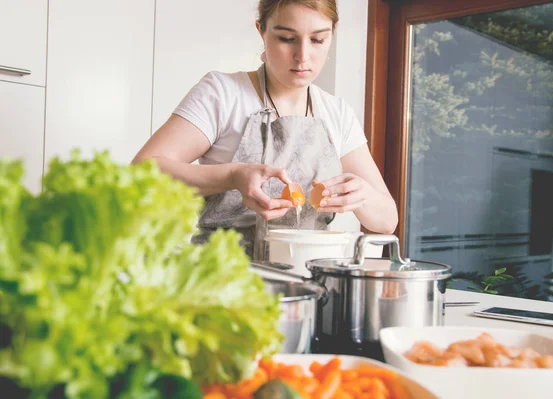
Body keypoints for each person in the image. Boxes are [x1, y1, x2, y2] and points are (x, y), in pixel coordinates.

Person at [132, 0, 398, 258]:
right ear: (262, 31)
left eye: (318, 40)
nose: (303, 56)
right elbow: (142, 173)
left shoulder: (337, 114)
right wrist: (232, 176)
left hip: (306, 285)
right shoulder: (223, 94)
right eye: (286, 38)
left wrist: (361, 196)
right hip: (224, 284)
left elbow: (387, 221)